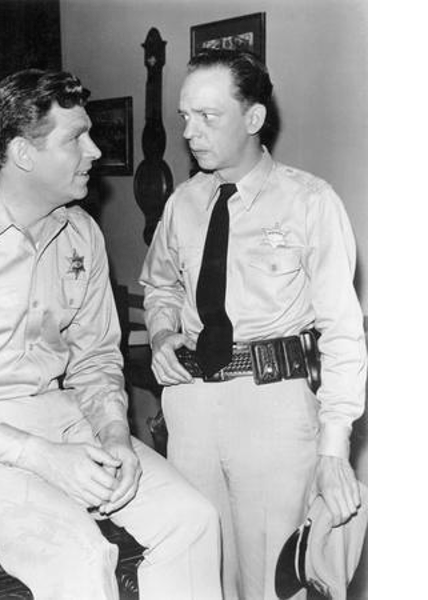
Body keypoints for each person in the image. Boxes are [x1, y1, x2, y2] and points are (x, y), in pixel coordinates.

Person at [0, 68, 223, 600]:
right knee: (79, 554)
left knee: (194, 520)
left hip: (63, 423)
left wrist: (115, 436)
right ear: (23, 153)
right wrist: (39, 456)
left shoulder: (82, 234)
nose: (94, 151)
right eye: (75, 138)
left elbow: (96, 360)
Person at [140, 50, 367, 600]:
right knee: (195, 575)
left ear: (253, 118)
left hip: (273, 409)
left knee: (275, 580)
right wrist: (164, 333)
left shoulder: (310, 203)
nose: (189, 132)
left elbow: (342, 331)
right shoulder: (182, 204)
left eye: (207, 116)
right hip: (191, 408)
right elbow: (160, 285)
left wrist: (334, 448)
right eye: (185, 116)